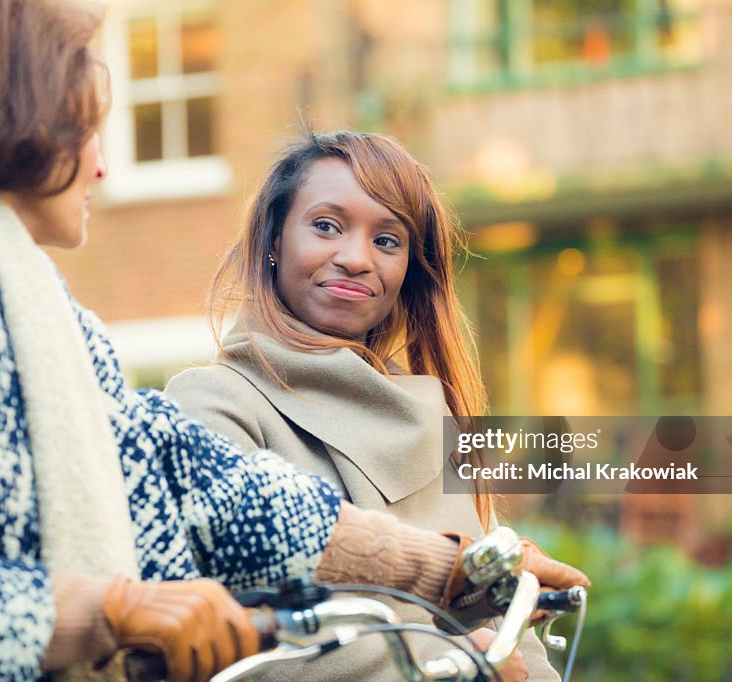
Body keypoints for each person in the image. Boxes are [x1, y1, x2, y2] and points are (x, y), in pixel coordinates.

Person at [0, 3, 584, 680]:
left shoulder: (35, 308)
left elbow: (201, 483)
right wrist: (110, 613)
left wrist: (450, 570)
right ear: (17, 113)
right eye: (87, 124)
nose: (103, 162)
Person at [166, 130, 588, 681]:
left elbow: (511, 634)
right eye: (326, 226)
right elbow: (236, 639)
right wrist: (466, 663)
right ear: (273, 239)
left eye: (388, 241)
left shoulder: (433, 416)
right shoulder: (212, 405)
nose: (356, 258)